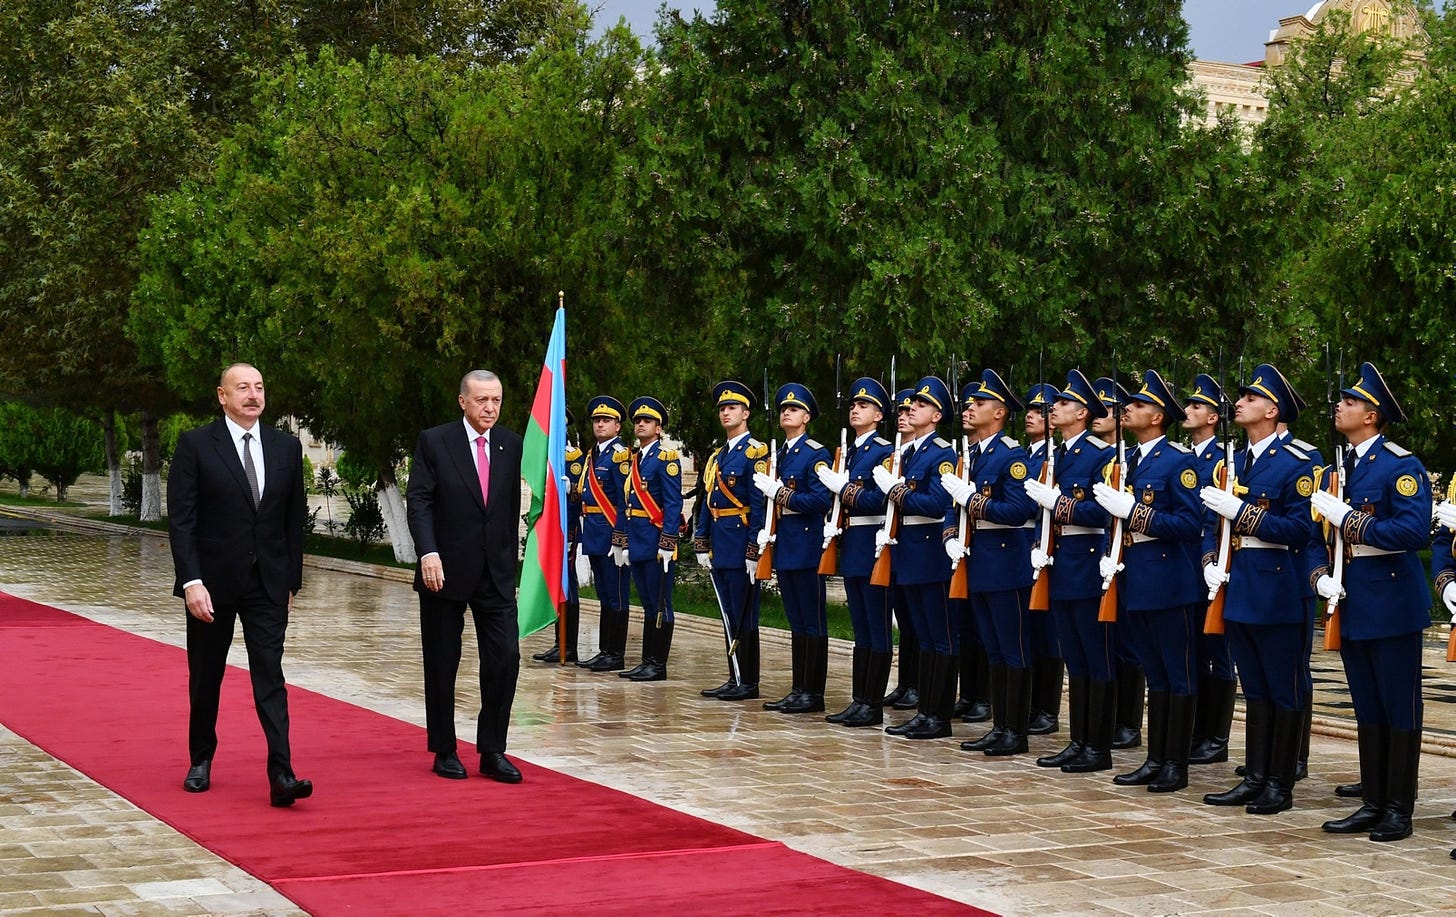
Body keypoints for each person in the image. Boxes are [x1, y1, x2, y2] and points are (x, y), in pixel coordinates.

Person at [169, 362, 311, 807]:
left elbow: (293, 520)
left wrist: (290, 581)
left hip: (267, 585)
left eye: (260, 387)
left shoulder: (285, 448)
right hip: (212, 584)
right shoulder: (196, 445)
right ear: (222, 396)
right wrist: (191, 581)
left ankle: (282, 774)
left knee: (270, 675)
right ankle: (201, 759)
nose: (253, 395)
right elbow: (183, 520)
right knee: (206, 676)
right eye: (243, 388)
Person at [1314, 362, 1431, 842]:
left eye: (1349, 401)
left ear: (1371, 415)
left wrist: (1351, 521)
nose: (1339, 406)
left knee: (1398, 706)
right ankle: (1373, 801)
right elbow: (1314, 538)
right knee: (1366, 706)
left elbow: (1411, 531)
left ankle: (1399, 808)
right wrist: (1321, 574)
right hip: (1353, 598)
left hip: (1392, 601)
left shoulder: (1401, 466)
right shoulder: (1339, 467)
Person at [1199, 365, 1314, 815]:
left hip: (1279, 590)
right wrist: (1211, 561)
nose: (1240, 402)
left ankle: (1279, 784)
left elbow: (1301, 529)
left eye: (1251, 397)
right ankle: (1255, 775)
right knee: (1256, 690)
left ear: (1273, 409)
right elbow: (1212, 525)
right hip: (1239, 586)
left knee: (1283, 690)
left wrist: (1244, 513)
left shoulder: (1300, 462)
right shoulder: (1235, 461)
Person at [406, 370, 525, 783]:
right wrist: (427, 552)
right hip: (444, 571)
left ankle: (492, 749)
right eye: (481, 400)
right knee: (442, 662)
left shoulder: (511, 444)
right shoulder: (435, 441)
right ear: (463, 402)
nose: (489, 408)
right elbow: (418, 501)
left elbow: (507, 511)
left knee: (506, 658)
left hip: (495, 574)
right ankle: (444, 749)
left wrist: (511, 566)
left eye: (496, 400)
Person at [1093, 369, 1203, 793]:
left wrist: (1135, 512)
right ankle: (1155, 758)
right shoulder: (1129, 461)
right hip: (1136, 575)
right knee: (1154, 675)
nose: (1127, 411)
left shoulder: (1179, 461)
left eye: (1137, 405)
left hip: (1170, 581)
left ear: (1157, 417)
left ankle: (1176, 762)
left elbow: (1189, 522)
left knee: (1178, 674)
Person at [1024, 370, 1116, 773]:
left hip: (1087, 563)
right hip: (1058, 563)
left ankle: (1098, 745)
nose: (1054, 408)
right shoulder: (1054, 454)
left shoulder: (1102, 455)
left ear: (1081, 413)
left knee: (1096, 658)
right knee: (1074, 659)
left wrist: (1060, 504)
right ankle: (1078, 740)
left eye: (1062, 403)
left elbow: (1105, 509)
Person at [943, 370, 1037, 755]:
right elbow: (954, 504)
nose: (970, 408)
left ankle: (1016, 729)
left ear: (998, 413)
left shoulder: (1011, 455)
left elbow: (1019, 509)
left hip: (1005, 561)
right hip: (978, 559)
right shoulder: (974, 455)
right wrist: (951, 535)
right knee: (994, 648)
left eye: (979, 404)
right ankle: (1000, 726)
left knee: (1012, 648)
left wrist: (973, 501)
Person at [875, 376, 957, 739]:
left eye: (920, 406)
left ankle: (938, 715)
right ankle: (925, 711)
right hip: (909, 550)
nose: (911, 411)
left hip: (929, 553)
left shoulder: (942, 453)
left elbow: (936, 504)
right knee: (922, 637)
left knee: (939, 637)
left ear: (936, 415)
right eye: (910, 406)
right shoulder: (909, 453)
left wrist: (896, 490)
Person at [818, 377, 895, 726]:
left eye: (863, 405)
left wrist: (844, 489)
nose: (855, 409)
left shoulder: (884, 451)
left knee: (877, 628)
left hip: (872, 546)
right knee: (860, 628)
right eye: (853, 404)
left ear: (878, 415)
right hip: (851, 545)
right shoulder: (848, 451)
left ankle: (873, 703)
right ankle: (859, 698)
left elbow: (880, 499)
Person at [757, 384, 834, 713]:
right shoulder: (780, 454)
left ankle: (813, 693)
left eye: (794, 409)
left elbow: (820, 500)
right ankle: (798, 688)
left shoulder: (816, 453)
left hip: (806, 543)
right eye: (783, 409)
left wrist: (781, 495)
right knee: (796, 621)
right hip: (786, 542)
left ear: (806, 417)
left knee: (812, 621)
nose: (786, 412)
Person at [694, 381, 768, 701]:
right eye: (723, 409)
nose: (726, 412)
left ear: (746, 413)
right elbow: (708, 501)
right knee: (727, 613)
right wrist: (700, 539)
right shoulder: (717, 457)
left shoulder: (755, 452)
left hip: (740, 543)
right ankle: (734, 675)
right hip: (720, 543)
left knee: (744, 614)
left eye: (732, 407)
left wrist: (754, 548)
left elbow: (760, 503)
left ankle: (748, 681)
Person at [1181, 374, 1237, 767]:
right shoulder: (1186, 459)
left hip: (1214, 562)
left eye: (1197, 406)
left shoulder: (1223, 460)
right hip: (1186, 564)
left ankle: (1216, 736)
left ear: (1214, 417)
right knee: (1197, 650)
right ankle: (1197, 730)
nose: (1188, 411)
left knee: (1219, 652)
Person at [612, 397, 684, 682]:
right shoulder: (635, 459)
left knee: (660, 603)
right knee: (646, 603)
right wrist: (626, 541)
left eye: (648, 421)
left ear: (659, 427)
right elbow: (629, 505)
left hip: (656, 543)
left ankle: (658, 663)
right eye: (638, 421)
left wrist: (668, 541)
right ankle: (646, 660)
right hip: (639, 541)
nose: (641, 424)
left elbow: (673, 502)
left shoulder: (665, 458)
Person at [1093, 377, 1146, 752]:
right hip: (1105, 555)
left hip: (1134, 555)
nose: (1101, 415)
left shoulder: (1130, 458)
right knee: (1106, 643)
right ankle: (1108, 717)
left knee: (1130, 645)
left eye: (1108, 409)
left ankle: (1128, 721)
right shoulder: (1102, 459)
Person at [569, 397, 632, 672]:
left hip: (610, 532)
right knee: (604, 594)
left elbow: (624, 500)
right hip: (593, 531)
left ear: (617, 425)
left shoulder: (619, 456)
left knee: (616, 594)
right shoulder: (593, 455)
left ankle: (615, 653)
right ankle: (605, 650)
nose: (600, 424)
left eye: (606, 420)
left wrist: (620, 536)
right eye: (596, 420)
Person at [1023, 382, 1066, 737]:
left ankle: (1047, 709)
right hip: (1030, 547)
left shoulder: (1054, 456)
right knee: (1034, 631)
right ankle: (1032, 702)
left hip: (1052, 549)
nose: (1034, 416)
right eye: (1033, 411)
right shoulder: (1029, 456)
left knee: (1048, 633)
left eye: (1042, 411)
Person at [881, 388, 924, 714]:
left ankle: (918, 685)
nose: (904, 415)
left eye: (911, 411)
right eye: (902, 411)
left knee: (917, 622)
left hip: (914, 545)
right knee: (905, 620)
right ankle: (906, 682)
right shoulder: (896, 455)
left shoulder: (920, 455)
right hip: (892, 543)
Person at [535, 408, 584, 663]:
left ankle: (569, 646)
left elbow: (580, 497)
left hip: (568, 531)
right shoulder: (546, 456)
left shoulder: (573, 457)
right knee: (556, 585)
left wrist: (570, 489)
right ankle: (558, 642)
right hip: (550, 528)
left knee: (568, 586)